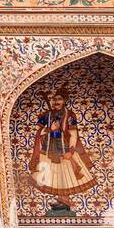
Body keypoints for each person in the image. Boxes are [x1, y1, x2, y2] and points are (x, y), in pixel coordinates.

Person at [28, 86, 96, 214]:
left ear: (64, 100)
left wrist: (71, 150)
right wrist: (50, 129)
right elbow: (39, 132)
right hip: (49, 149)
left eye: (59, 99)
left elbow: (73, 134)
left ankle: (64, 200)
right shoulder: (46, 115)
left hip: (64, 149)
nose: (56, 102)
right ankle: (61, 200)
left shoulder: (69, 115)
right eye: (54, 99)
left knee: (67, 174)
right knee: (54, 175)